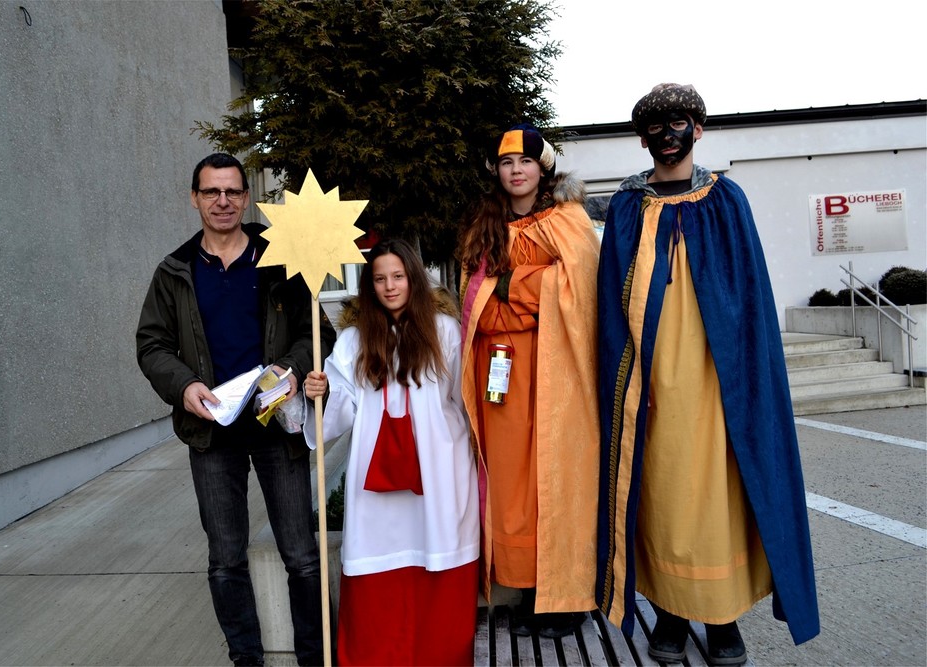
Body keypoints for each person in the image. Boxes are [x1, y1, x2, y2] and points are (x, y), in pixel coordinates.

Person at [595, 83, 820, 665]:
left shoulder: (726, 200)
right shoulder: (627, 207)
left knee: (720, 494)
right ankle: (670, 611)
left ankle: (722, 618)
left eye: (678, 123)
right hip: (650, 379)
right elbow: (611, 302)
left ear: (697, 130)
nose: (666, 135)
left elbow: (750, 296)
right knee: (662, 491)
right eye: (654, 126)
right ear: (642, 139)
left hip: (721, 379)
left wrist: (744, 377)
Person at [136, 152, 336, 667]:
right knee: (225, 559)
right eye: (211, 191)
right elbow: (152, 345)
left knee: (302, 556)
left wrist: (292, 369)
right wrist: (183, 386)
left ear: (246, 198)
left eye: (231, 191)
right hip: (211, 433)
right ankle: (246, 659)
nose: (222, 201)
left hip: (276, 427)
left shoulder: (281, 259)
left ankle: (316, 657)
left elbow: (317, 333)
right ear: (195, 199)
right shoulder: (175, 270)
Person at [302, 238, 480, 665]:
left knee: (439, 551)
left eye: (398, 276)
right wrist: (320, 393)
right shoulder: (353, 339)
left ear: (414, 278)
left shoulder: (445, 331)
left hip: (440, 468)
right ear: (370, 285)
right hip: (374, 478)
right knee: (377, 559)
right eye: (380, 279)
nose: (390, 286)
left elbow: (466, 397)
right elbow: (340, 408)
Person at [458, 123, 601, 638]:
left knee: (555, 475)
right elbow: (476, 298)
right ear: (495, 171)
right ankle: (528, 588)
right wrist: (525, 294)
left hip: (557, 373)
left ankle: (565, 598)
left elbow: (580, 288)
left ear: (543, 168)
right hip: (501, 371)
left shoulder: (569, 220)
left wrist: (510, 286)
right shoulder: (484, 226)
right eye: (506, 162)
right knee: (511, 481)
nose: (515, 170)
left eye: (524, 161)